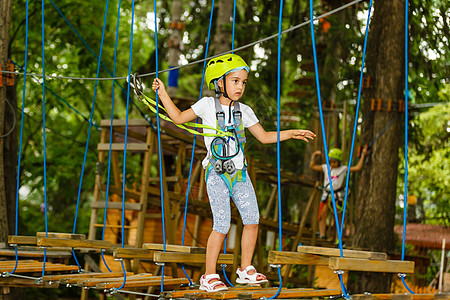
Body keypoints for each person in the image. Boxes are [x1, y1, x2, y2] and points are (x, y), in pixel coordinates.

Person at [152, 53, 316, 292]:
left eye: (243, 82)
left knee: (252, 219)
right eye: (235, 81)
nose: (240, 86)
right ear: (220, 83)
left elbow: (264, 136)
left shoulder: (245, 110)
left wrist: (290, 133)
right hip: (217, 173)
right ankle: (209, 275)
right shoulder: (207, 105)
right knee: (221, 223)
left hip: (239, 173)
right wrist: (162, 93)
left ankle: (245, 269)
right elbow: (177, 118)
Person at [309, 146, 368, 240]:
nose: (332, 163)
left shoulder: (343, 169)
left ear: (339, 161)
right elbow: (312, 166)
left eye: (334, 162)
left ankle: (339, 238)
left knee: (338, 218)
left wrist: (363, 155)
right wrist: (314, 155)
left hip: (336, 195)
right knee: (321, 216)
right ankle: (322, 235)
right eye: (330, 161)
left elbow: (358, 167)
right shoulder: (326, 167)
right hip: (326, 194)